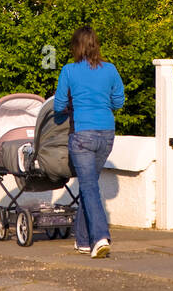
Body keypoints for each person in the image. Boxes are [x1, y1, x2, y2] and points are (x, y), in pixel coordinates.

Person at [53, 26, 124, 259]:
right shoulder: (111, 70)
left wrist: (70, 108)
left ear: (76, 46)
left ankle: (100, 237)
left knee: (89, 186)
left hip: (82, 134)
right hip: (106, 134)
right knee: (88, 184)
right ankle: (83, 240)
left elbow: (58, 105)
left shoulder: (69, 71)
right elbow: (118, 101)